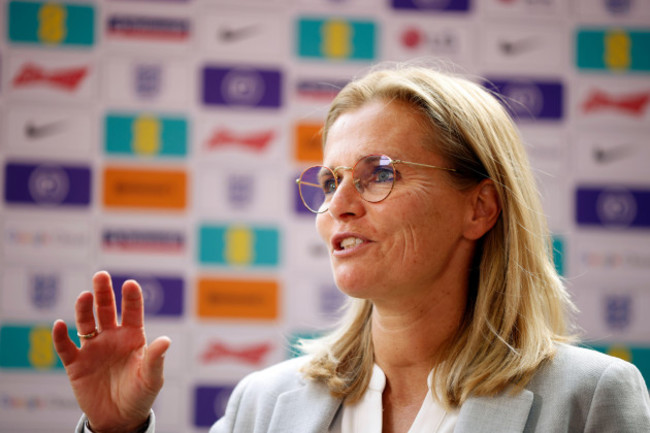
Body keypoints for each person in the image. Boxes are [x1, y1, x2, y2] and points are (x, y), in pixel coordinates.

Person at [53, 65, 650, 433]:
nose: (339, 204)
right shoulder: (263, 404)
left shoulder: (590, 398)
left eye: (378, 174)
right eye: (331, 180)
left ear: (481, 208)